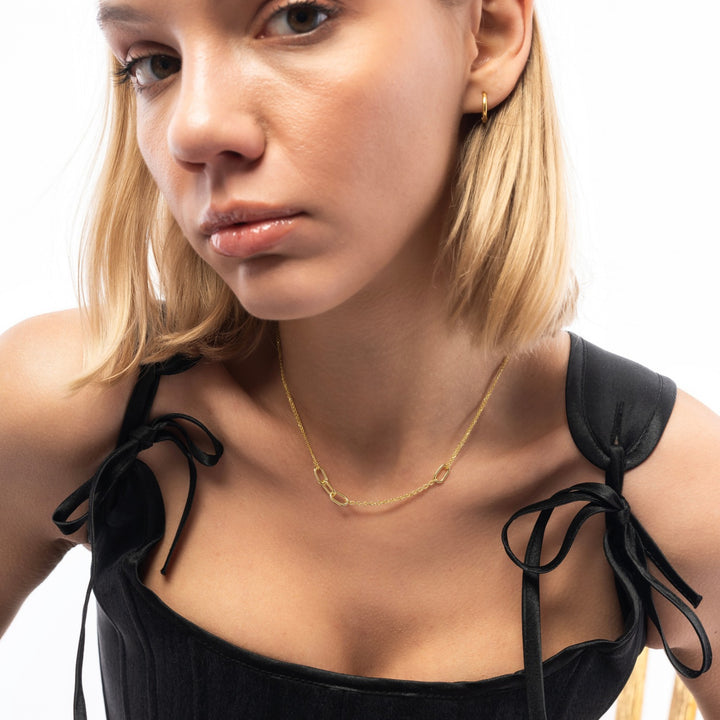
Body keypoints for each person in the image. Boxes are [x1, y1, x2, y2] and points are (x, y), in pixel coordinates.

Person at [0, 1, 718, 718]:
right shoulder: (67, 401)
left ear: (487, 35)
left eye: (299, 17)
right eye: (155, 63)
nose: (195, 129)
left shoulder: (678, 495)